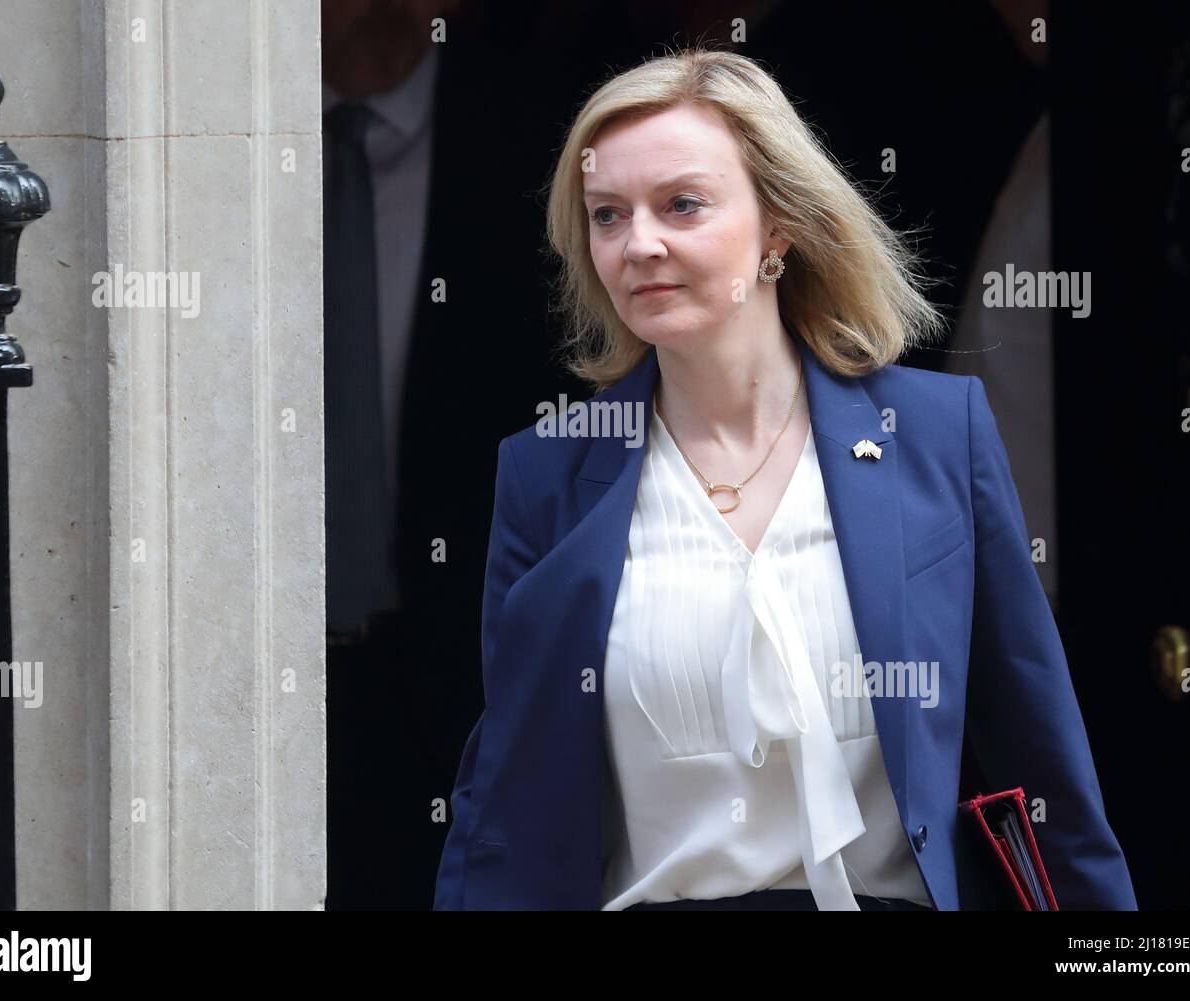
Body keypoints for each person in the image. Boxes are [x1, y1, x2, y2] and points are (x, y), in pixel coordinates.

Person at [433, 48, 1137, 911]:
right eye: (607, 215)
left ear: (778, 225)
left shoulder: (934, 435)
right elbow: (505, 799)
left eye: (681, 204)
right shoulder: (545, 474)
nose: (639, 243)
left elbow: (1042, 768)